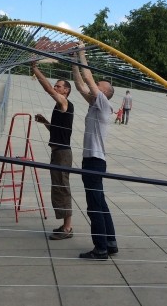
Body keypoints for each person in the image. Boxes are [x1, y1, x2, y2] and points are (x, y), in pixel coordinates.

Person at [72, 43, 118, 260]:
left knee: (93, 206)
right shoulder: (94, 104)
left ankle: (100, 248)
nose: (94, 87)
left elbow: (88, 78)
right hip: (94, 161)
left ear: (104, 93)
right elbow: (81, 85)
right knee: (100, 202)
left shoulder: (103, 105)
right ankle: (110, 242)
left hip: (93, 161)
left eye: (99, 86)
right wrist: (73, 61)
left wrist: (81, 53)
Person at [31, 60, 75, 240]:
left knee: (62, 188)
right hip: (58, 152)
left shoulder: (64, 102)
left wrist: (35, 69)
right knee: (58, 188)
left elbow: (47, 89)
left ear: (66, 91)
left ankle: (67, 229)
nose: (56, 88)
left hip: (63, 154)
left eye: (59, 86)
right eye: (56, 85)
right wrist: (45, 123)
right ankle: (65, 225)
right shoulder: (60, 107)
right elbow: (58, 132)